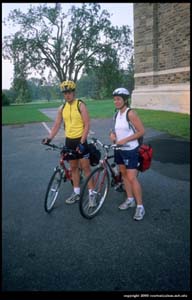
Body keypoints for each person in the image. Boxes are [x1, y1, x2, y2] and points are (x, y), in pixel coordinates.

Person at [42, 80, 95, 206]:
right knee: (74, 168)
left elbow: (87, 124)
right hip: (69, 141)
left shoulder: (80, 105)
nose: (67, 95)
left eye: (69, 92)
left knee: (86, 169)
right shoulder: (62, 108)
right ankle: (76, 193)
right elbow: (56, 125)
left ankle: (92, 195)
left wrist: (82, 142)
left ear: (74, 92)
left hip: (80, 141)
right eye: (65, 93)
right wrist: (49, 138)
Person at [109, 87, 145, 221]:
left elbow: (141, 131)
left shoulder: (131, 113)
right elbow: (114, 130)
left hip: (130, 150)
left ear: (125, 100)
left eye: (118, 99)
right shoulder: (116, 114)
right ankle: (130, 200)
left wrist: (126, 139)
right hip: (119, 149)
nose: (116, 102)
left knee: (131, 177)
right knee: (123, 175)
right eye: (114, 100)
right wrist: (112, 135)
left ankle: (140, 206)